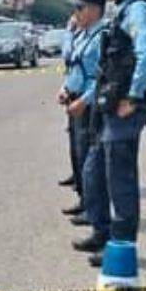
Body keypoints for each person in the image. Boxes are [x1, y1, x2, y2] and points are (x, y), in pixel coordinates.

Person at [73, 0, 146, 267]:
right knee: (93, 172)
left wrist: (134, 97)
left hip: (125, 110)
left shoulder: (137, 10)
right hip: (109, 108)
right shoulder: (123, 11)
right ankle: (102, 233)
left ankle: (121, 248)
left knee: (120, 183)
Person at [59, 0, 106, 223]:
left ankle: (94, 210)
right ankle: (85, 201)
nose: (76, 13)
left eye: (80, 8)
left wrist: (84, 100)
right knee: (79, 154)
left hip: (89, 104)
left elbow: (102, 77)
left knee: (89, 159)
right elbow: (73, 65)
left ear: (94, 10)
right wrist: (65, 88)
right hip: (75, 99)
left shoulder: (101, 37)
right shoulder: (83, 35)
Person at [58, 13, 80, 189]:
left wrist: (68, 33)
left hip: (82, 96)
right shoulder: (81, 35)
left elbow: (67, 54)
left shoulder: (86, 36)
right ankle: (77, 174)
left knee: (80, 140)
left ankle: (81, 180)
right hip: (73, 91)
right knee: (74, 136)